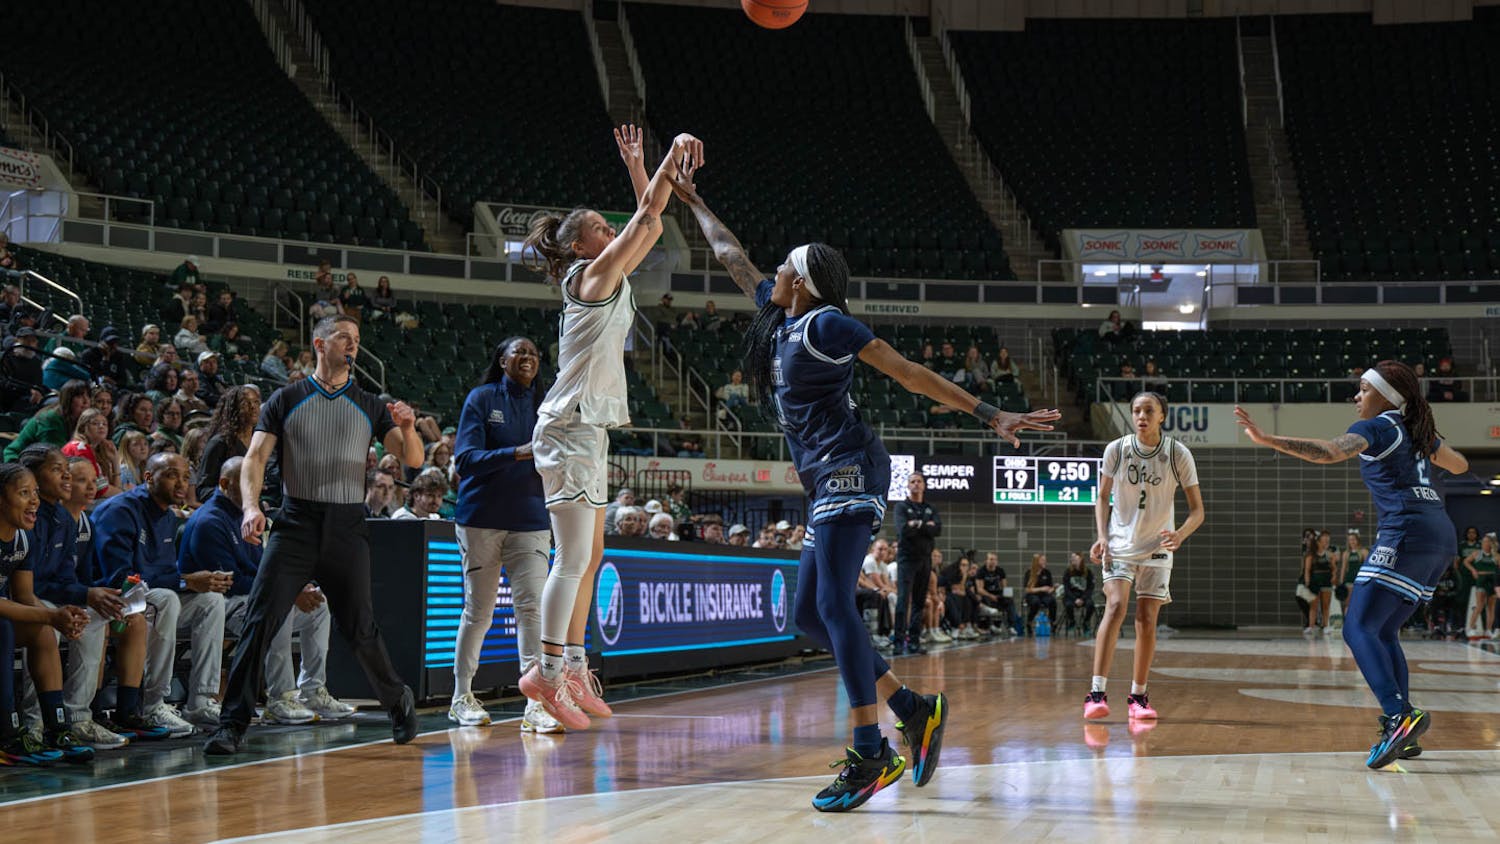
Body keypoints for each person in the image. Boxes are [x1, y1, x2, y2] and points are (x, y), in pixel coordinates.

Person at [673, 165, 1059, 811]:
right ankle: (912, 708)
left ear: (803, 278)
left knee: (833, 608)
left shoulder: (827, 325)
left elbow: (909, 373)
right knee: (808, 614)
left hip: (852, 466)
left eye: (786, 267)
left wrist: (990, 415)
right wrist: (693, 200)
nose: (773, 273)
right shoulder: (778, 318)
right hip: (824, 476)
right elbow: (729, 255)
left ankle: (871, 753)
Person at [512, 125, 701, 733]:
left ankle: (572, 664)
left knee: (591, 554)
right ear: (579, 245)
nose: (609, 229)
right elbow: (645, 214)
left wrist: (646, 168)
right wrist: (666, 153)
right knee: (570, 559)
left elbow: (650, 225)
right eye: (599, 224)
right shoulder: (588, 278)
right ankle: (544, 671)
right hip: (566, 426)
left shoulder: (608, 272)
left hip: (588, 427)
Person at [203, 314, 424, 755]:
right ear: (320, 344)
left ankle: (398, 700)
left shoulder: (370, 402)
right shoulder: (286, 398)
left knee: (359, 626)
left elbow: (412, 460)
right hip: (296, 522)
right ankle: (231, 724)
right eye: (345, 337)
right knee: (259, 621)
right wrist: (249, 507)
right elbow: (255, 457)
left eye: (358, 340)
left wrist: (408, 427)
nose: (354, 345)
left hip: (347, 524)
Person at [1236, 360, 1468, 769]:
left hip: (1407, 531)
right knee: (1384, 629)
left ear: (1387, 397)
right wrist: (1428, 447)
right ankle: (1405, 729)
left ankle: (1399, 716)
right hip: (1441, 534)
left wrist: (1267, 438)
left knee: (1358, 626)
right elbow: (1460, 465)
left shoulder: (1376, 427)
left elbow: (1328, 452)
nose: (1356, 396)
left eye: (1363, 389)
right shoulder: (1416, 431)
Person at [181, 457, 355, 725]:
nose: (256, 489)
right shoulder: (209, 521)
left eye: (257, 482)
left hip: (250, 598)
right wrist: (285, 590)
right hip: (221, 604)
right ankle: (279, 697)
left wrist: (296, 585)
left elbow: (264, 568)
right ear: (225, 484)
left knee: (319, 606)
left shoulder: (247, 515)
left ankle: (312, 690)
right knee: (279, 607)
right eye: (247, 482)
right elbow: (230, 582)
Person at [447, 337, 558, 733]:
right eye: (519, 352)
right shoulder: (482, 398)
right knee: (480, 610)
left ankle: (535, 703)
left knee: (533, 611)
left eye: (534, 352)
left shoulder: (548, 405)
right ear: (502, 359)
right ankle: (461, 696)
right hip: (481, 518)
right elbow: (465, 460)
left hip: (532, 519)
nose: (528, 357)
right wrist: (516, 453)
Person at [1084, 391, 1204, 723]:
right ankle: (1096, 693)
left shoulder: (1178, 454)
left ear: (1162, 416)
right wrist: (1102, 536)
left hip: (1157, 547)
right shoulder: (1117, 450)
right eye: (1136, 410)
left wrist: (1180, 533)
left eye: (1148, 410)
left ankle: (1138, 697)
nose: (1141, 416)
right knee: (1117, 605)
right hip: (1120, 544)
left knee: (1147, 620)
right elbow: (1102, 496)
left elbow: (1198, 511)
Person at [91, 453, 216, 737]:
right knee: (167, 598)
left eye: (186, 477)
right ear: (148, 477)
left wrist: (189, 583)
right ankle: (154, 703)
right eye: (172, 475)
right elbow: (121, 578)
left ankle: (200, 701)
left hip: (148, 602)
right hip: (114, 601)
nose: (182, 484)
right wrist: (184, 582)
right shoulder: (120, 511)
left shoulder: (168, 517)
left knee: (211, 601)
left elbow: (163, 574)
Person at [0, 461, 97, 765]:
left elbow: (26, 596)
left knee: (43, 632)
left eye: (35, 493)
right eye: (24, 493)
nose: (34, 501)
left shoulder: (22, 538)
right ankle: (8, 735)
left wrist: (62, 617)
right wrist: (50, 615)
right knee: (4, 628)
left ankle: (56, 728)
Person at [891, 473, 939, 655]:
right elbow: (903, 530)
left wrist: (916, 525)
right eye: (912, 482)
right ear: (908, 486)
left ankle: (914, 641)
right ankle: (898, 641)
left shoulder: (930, 507)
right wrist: (926, 526)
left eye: (919, 481)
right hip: (906, 559)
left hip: (925, 559)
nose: (916, 484)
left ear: (924, 485)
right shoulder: (901, 507)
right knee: (903, 600)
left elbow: (938, 529)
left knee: (919, 601)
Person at [194, 385, 261, 504]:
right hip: (227, 511)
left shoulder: (259, 441)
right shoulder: (220, 442)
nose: (253, 407)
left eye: (256, 402)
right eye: (246, 403)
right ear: (233, 408)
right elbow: (203, 490)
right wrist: (233, 496)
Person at [4, 380, 90, 460]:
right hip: (17, 461)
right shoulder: (51, 419)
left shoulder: (81, 419)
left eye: (88, 396)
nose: (86, 401)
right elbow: (56, 456)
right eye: (79, 396)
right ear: (68, 399)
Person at [61, 408, 122, 499]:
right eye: (95, 423)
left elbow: (111, 490)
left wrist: (115, 461)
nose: (101, 426)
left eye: (104, 424)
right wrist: (124, 493)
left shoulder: (98, 451)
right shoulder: (79, 448)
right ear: (83, 428)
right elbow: (101, 491)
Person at [1462, 533, 1499, 640]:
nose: (1485, 543)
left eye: (1487, 541)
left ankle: (1488, 630)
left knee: (1491, 607)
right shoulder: (1477, 553)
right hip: (1481, 580)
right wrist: (1473, 570)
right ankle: (1471, 628)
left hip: (1492, 580)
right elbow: (1465, 561)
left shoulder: (1496, 555)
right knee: (1479, 605)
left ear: (1491, 543)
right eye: (1483, 541)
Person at [1304, 530, 1337, 634]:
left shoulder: (1330, 555)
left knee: (1325, 605)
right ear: (1318, 542)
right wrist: (1307, 582)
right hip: (1314, 583)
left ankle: (1326, 626)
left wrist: (1334, 576)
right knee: (1313, 605)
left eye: (1327, 540)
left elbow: (1334, 568)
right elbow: (1307, 570)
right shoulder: (1311, 555)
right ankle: (1311, 626)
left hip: (1326, 582)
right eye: (1324, 540)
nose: (1326, 542)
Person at [1062, 551, 1096, 635]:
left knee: (1090, 605)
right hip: (1071, 596)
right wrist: (1075, 599)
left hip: (1083, 596)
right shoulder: (1068, 572)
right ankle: (1072, 621)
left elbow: (1090, 588)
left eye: (1075, 558)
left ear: (1081, 560)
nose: (1073, 560)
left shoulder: (1088, 572)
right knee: (1068, 605)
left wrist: (1082, 599)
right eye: (1072, 558)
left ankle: (1086, 622)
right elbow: (1066, 588)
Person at [1337, 529, 1367, 621]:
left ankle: (1358, 621)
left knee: (1360, 602)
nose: (1352, 542)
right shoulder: (1346, 553)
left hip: (1360, 580)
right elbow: (1343, 568)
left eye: (1353, 539)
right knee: (1348, 602)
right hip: (1349, 579)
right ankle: (1347, 621)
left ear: (1357, 540)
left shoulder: (1363, 552)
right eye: (1350, 540)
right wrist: (1341, 581)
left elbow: (1367, 568)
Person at [1022, 554, 1057, 633]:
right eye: (1043, 560)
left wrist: (1054, 588)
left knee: (1052, 601)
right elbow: (1027, 590)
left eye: (1045, 560)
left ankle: (1052, 622)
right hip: (1032, 595)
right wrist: (1041, 588)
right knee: (1035, 602)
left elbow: (1049, 589)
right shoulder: (1029, 573)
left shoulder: (1047, 573)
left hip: (1044, 595)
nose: (1045, 562)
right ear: (1037, 562)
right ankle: (1029, 621)